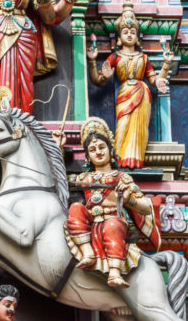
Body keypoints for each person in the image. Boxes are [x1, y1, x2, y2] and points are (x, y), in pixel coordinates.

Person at [63, 116, 160, 288]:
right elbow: (59, 178)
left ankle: (115, 272)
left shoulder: (121, 177)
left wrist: (129, 198)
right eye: (92, 150)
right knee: (76, 208)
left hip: (113, 222)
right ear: (87, 157)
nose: (98, 152)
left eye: (102, 147)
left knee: (112, 225)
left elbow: (145, 208)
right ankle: (87, 252)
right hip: (91, 223)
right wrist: (58, 147)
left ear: (110, 149)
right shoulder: (83, 178)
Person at [87, 4, 173, 168]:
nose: (129, 35)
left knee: (139, 130)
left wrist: (166, 65)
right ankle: (119, 160)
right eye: (125, 32)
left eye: (133, 32)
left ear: (137, 37)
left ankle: (135, 161)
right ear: (119, 37)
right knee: (124, 126)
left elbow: (154, 80)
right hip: (125, 95)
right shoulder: (115, 57)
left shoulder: (144, 58)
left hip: (142, 93)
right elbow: (97, 81)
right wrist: (92, 61)